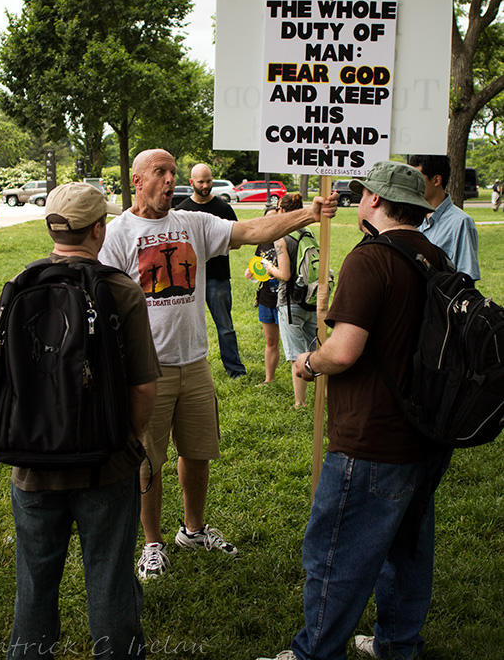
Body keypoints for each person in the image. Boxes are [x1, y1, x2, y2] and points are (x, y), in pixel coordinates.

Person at [98, 149, 338, 581]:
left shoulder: (193, 223)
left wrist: (307, 214)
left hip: (194, 363)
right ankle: (152, 544)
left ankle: (192, 529)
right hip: (145, 371)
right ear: (136, 180)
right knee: (148, 461)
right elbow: (103, 302)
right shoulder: (117, 234)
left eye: (174, 172)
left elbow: (251, 229)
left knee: (198, 453)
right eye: (161, 172)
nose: (171, 179)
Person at [257, 161, 453, 660]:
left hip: (371, 438)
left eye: (361, 192)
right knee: (407, 552)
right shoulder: (434, 255)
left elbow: (343, 351)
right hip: (424, 434)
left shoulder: (371, 258)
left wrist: (306, 362)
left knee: (334, 555)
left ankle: (315, 653)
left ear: (372, 199)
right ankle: (396, 645)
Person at [6, 182, 161, 659]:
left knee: (34, 581)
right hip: (104, 463)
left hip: (31, 462)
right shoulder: (121, 290)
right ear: (99, 229)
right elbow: (143, 388)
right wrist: (129, 441)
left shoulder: (20, 283)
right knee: (110, 578)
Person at [175, 162, 246, 378]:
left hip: (217, 277)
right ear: (191, 182)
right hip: (189, 280)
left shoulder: (223, 208)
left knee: (225, 327)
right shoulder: (182, 210)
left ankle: (235, 371)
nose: (205, 186)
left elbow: (237, 241)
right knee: (185, 328)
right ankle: (185, 369)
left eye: (208, 181)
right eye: (201, 182)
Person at [261, 193, 316, 408]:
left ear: (282, 211)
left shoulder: (283, 237)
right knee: (316, 350)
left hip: (290, 302)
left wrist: (269, 268)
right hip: (311, 297)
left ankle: (300, 403)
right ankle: (327, 393)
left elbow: (284, 274)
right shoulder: (308, 232)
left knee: (297, 355)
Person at [408, 155, 480, 281]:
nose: (413, 185)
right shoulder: (412, 218)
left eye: (418, 178)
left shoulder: (461, 222)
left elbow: (467, 278)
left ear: (436, 180)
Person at [244, 205, 280, 384]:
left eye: (275, 217)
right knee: (270, 341)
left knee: (291, 343)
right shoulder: (263, 241)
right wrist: (250, 271)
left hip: (285, 299)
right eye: (267, 218)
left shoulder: (288, 240)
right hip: (266, 297)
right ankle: (269, 379)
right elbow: (258, 264)